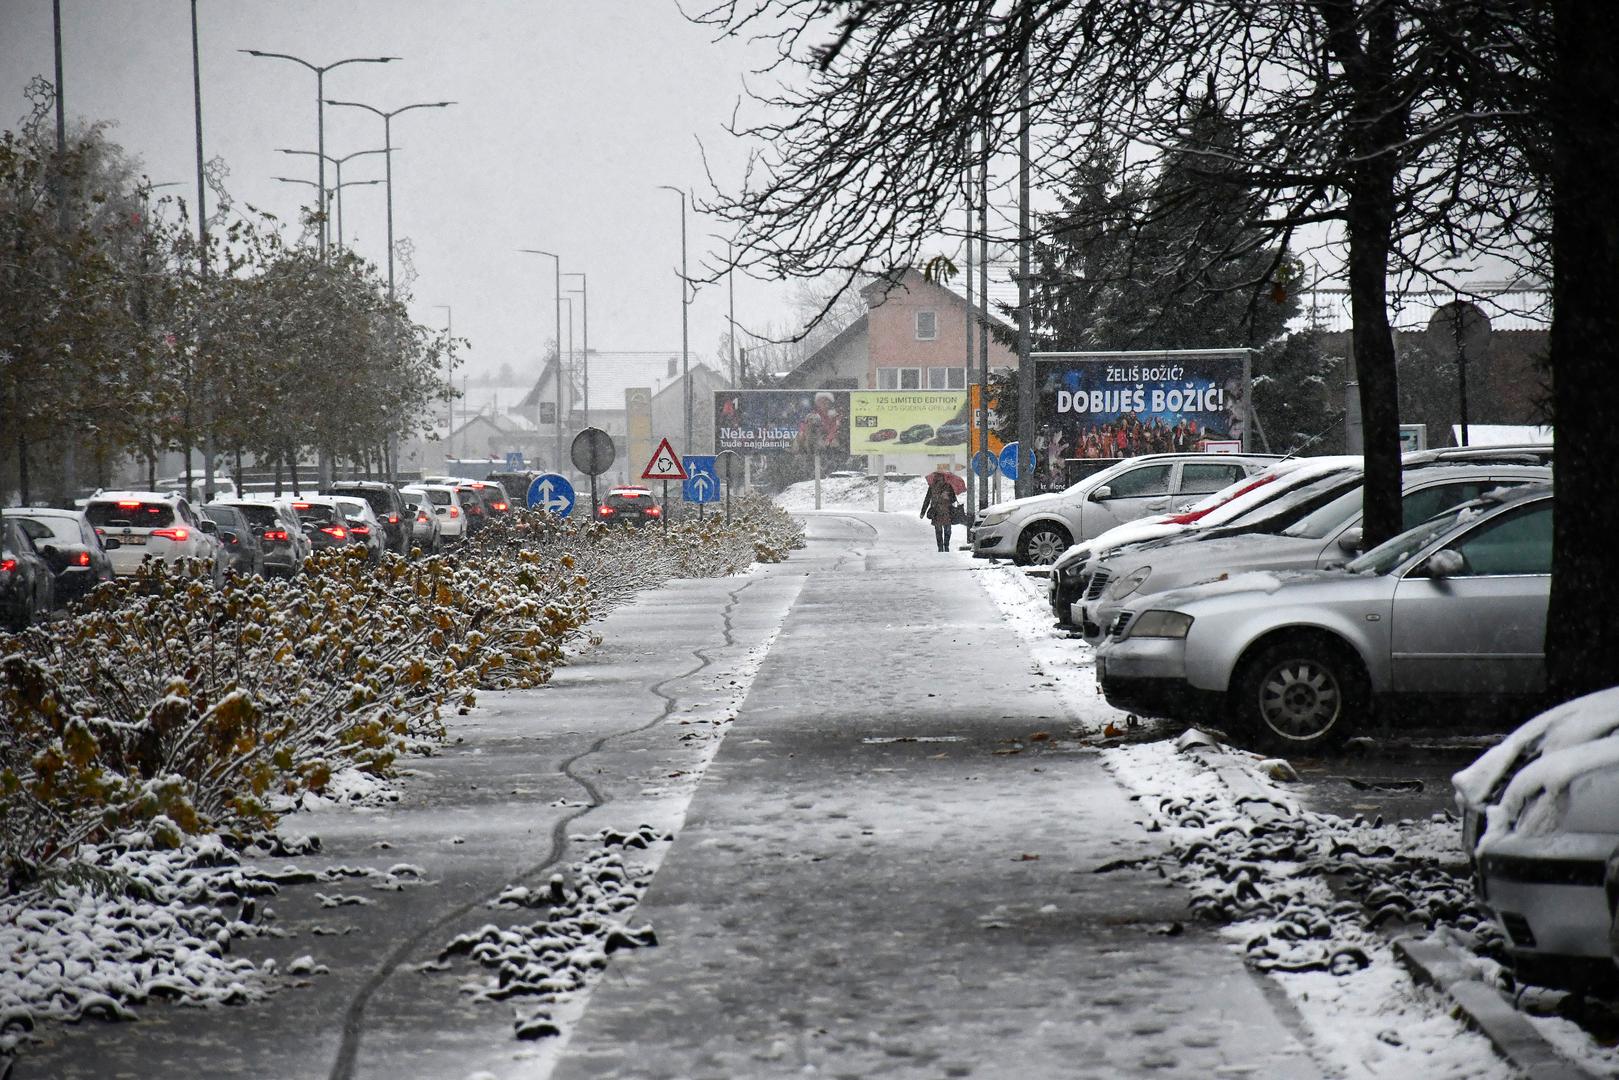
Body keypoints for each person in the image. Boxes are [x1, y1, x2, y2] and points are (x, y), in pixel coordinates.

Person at [919, 474, 959, 552]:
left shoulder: (933, 487)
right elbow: (953, 499)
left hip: (939, 512)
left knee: (940, 530)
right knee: (945, 530)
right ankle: (944, 546)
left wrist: (922, 512)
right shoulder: (946, 486)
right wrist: (947, 497)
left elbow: (927, 500)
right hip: (943, 512)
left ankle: (942, 547)